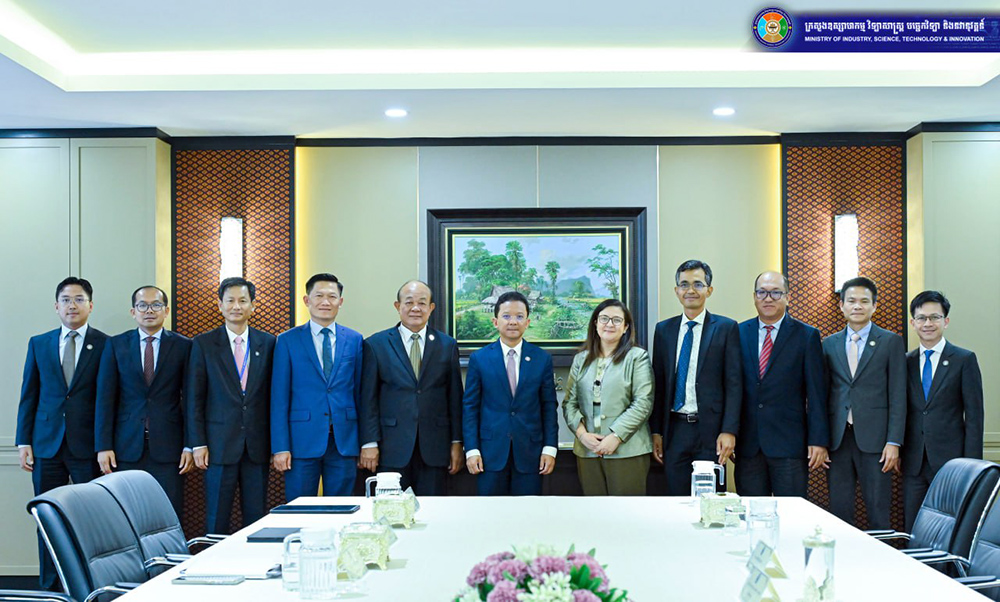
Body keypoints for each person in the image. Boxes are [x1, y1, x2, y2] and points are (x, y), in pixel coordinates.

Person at [16, 276, 108, 590]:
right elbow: (29, 394)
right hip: (46, 444)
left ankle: (89, 585)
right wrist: (23, 441)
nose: (72, 305)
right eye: (66, 300)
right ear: (56, 306)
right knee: (46, 517)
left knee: (89, 518)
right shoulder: (39, 343)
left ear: (90, 306)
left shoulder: (105, 344)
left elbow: (108, 399)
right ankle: (50, 586)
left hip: (88, 446)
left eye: (79, 299)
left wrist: (104, 443)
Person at [186, 277, 275, 533]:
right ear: (220, 305)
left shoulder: (268, 343)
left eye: (243, 301)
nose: (237, 306)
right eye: (230, 301)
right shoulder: (203, 344)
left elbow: (274, 397)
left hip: (257, 445)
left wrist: (277, 444)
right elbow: (194, 397)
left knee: (256, 517)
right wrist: (198, 443)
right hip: (218, 444)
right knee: (216, 517)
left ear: (253, 306)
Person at [95, 285, 193, 517]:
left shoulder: (183, 346)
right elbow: (105, 399)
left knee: (168, 513)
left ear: (166, 311)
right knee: (127, 515)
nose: (149, 310)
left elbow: (191, 400)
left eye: (156, 305)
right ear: (133, 312)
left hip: (169, 447)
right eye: (142, 305)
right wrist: (103, 446)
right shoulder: (116, 345)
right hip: (125, 447)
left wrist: (190, 444)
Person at [359, 280, 464, 495]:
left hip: (435, 447)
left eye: (422, 303)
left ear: (431, 308)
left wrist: (457, 442)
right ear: (398, 306)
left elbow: (454, 398)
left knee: (433, 508)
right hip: (391, 447)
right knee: (390, 508)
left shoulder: (447, 345)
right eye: (409, 302)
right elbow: (368, 399)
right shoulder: (376, 344)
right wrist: (369, 442)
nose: (415, 308)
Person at [650, 260, 742, 495]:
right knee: (676, 499)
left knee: (711, 499)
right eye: (684, 284)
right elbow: (659, 385)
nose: (690, 290)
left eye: (698, 284)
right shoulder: (663, 330)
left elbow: (734, 384)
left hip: (711, 430)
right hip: (675, 429)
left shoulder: (726, 328)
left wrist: (729, 430)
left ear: (709, 290)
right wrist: (656, 431)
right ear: (676, 291)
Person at [735, 271, 829, 497]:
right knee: (751, 511)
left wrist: (818, 440)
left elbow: (816, 393)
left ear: (788, 297)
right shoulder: (738, 332)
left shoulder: (807, 336)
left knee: (791, 512)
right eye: (762, 292)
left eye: (776, 293)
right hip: (748, 444)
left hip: (789, 444)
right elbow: (731, 388)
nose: (768, 298)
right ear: (754, 296)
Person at [822, 276, 905, 530]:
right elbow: (822, 395)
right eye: (851, 301)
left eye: (864, 301)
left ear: (874, 306)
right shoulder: (828, 343)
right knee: (839, 512)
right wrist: (820, 440)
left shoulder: (890, 341)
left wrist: (894, 441)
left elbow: (898, 395)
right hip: (837, 440)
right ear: (842, 305)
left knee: (878, 512)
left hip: (877, 442)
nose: (857, 306)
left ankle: (882, 555)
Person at [271, 273, 363, 500]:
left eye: (332, 296)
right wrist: (280, 447)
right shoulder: (287, 340)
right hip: (301, 441)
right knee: (299, 508)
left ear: (340, 301)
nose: (325, 302)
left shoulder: (355, 340)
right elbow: (279, 398)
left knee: (341, 508)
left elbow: (361, 393)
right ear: (307, 300)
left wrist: (364, 442)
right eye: (319, 296)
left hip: (344, 441)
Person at [902, 290, 983, 530]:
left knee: (949, 529)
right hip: (913, 462)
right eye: (921, 318)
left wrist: (972, 465)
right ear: (913, 323)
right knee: (913, 526)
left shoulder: (964, 359)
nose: (928, 323)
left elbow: (975, 417)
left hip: (952, 462)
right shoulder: (904, 362)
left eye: (934, 317)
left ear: (945, 321)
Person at [463, 291, 558, 496]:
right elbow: (470, 408)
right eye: (506, 316)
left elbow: (549, 407)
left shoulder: (541, 359)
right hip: (489, 454)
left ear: (527, 322)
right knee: (490, 512)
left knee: (528, 511)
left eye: (519, 316)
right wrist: (471, 449)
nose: (513, 321)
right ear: (495, 321)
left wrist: (550, 448)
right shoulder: (479, 359)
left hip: (531, 453)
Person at [562, 299, 653, 496]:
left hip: (627, 449)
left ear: (625, 327)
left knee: (626, 510)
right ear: (595, 323)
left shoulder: (637, 357)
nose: (609, 324)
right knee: (595, 510)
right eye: (604, 319)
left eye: (616, 320)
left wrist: (616, 436)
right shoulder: (581, 359)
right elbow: (569, 403)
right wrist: (582, 435)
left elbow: (643, 403)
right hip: (588, 450)